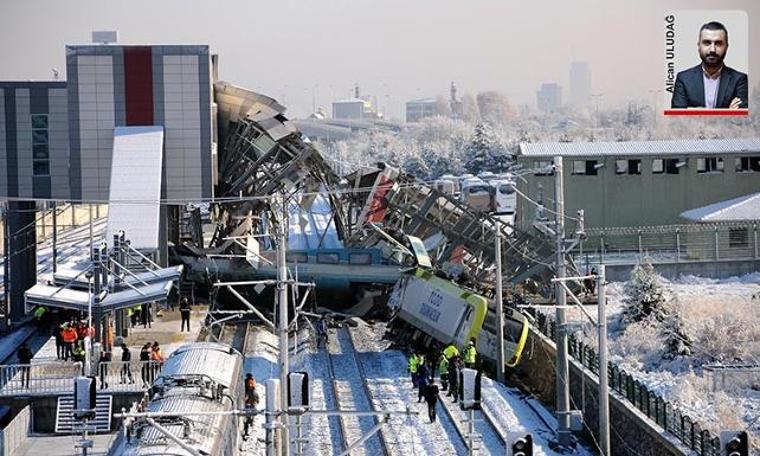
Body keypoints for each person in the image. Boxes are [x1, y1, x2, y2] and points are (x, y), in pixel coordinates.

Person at [671, 21, 748, 109]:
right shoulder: (683, 79)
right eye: (707, 43)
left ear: (726, 47)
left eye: (718, 43)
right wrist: (727, 113)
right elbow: (677, 119)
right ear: (699, 46)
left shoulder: (739, 80)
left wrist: (695, 113)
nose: (712, 49)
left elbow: (742, 121)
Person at [243, 373, 260, 439]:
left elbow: (247, 396)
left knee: (248, 417)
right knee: (250, 416)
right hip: (251, 404)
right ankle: (249, 426)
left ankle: (247, 428)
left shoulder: (249, 390)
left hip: (249, 404)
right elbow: (257, 398)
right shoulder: (253, 389)